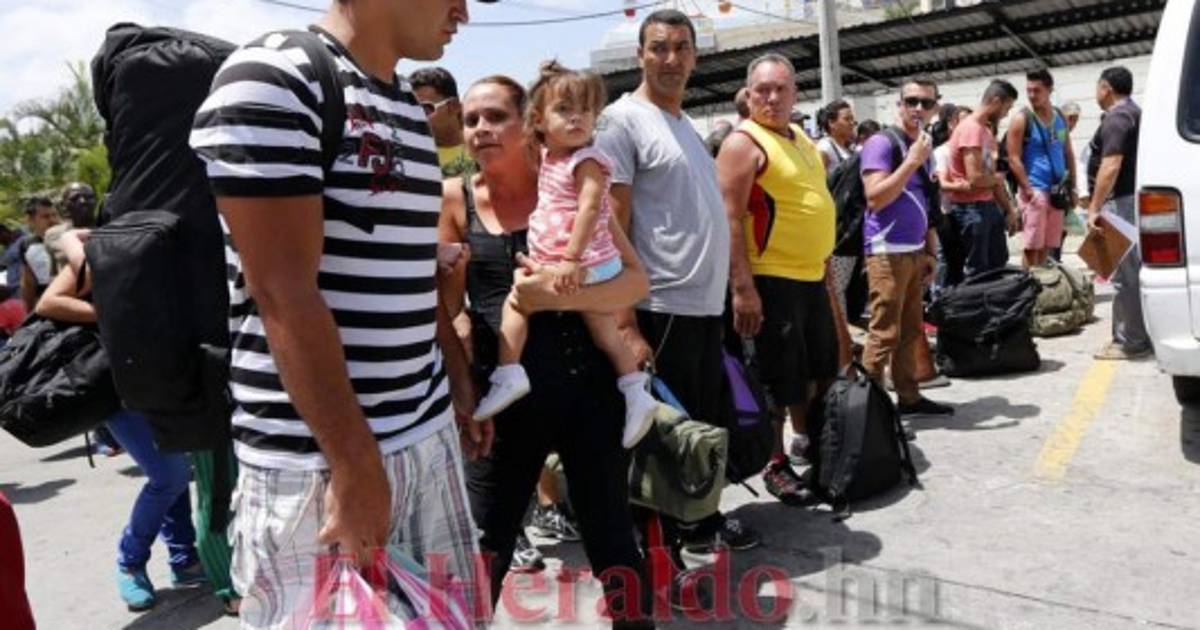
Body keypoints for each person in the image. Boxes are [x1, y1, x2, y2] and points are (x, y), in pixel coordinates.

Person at [189, 2, 485, 627]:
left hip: (425, 438)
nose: (463, 11)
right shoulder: (274, 77)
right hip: (320, 468)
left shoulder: (406, 106)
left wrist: (456, 380)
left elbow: (409, 272)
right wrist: (353, 465)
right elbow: (282, 292)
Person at [440, 74, 655, 627]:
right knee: (484, 545)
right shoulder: (456, 198)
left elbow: (635, 283)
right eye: (471, 120)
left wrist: (552, 294)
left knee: (612, 537)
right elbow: (448, 311)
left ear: (529, 123)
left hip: (588, 391)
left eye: (496, 117)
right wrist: (462, 393)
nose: (482, 129)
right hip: (503, 400)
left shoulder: (575, 184)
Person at [594, 8, 760, 579]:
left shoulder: (685, 124)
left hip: (700, 309)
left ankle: (696, 527)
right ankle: (658, 556)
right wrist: (624, 323)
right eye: (659, 47)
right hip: (657, 307)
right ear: (640, 55)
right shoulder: (622, 121)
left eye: (681, 47)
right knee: (660, 442)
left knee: (695, 430)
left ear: (695, 56)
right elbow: (611, 223)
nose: (671, 58)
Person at [472, 62, 658, 450]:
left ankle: (508, 371)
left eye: (585, 111)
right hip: (570, 265)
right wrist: (547, 80)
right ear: (539, 121)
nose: (576, 118)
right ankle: (635, 388)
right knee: (603, 328)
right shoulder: (551, 159)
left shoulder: (584, 160)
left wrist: (568, 265)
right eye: (564, 110)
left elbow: (593, 210)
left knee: (519, 301)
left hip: (584, 264)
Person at [36, 231, 208, 611]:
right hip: (115, 388)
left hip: (165, 379)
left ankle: (184, 559)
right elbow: (49, 302)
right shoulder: (104, 243)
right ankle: (130, 562)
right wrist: (114, 315)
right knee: (170, 475)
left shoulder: (170, 233)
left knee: (174, 469)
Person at [718, 53, 838, 505]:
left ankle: (813, 445)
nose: (771, 97)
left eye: (780, 89)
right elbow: (729, 218)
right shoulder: (743, 143)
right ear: (748, 95)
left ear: (795, 94)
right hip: (769, 280)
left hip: (810, 277)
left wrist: (826, 274)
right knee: (773, 379)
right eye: (762, 90)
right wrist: (742, 288)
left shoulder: (801, 139)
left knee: (816, 371)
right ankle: (774, 463)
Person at [859, 77, 954, 419]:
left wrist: (929, 251)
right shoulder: (882, 143)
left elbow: (926, 201)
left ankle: (909, 397)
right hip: (886, 250)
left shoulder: (922, 146)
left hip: (913, 251)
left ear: (935, 108)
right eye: (911, 101)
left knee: (911, 332)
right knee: (884, 333)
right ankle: (868, 410)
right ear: (899, 105)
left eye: (926, 103)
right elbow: (875, 197)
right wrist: (912, 161)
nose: (918, 108)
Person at [1087, 66, 1151, 361]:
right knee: (1132, 271)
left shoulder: (1117, 117)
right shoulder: (1135, 112)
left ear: (1106, 88)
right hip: (1131, 200)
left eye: (1097, 87)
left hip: (1122, 203)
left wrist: (1094, 207)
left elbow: (1111, 165)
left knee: (1125, 275)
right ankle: (1136, 333)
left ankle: (1130, 341)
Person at [944, 79, 1020, 282]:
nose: (1006, 114)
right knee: (978, 272)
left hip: (987, 206)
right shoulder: (971, 129)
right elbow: (976, 178)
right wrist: (995, 180)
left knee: (997, 265)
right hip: (971, 210)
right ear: (996, 101)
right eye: (1007, 107)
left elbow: (991, 178)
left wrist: (1009, 209)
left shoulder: (985, 131)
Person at [1006, 69, 1078, 268]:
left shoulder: (1060, 117)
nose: (1031, 95)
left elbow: (1068, 152)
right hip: (1035, 190)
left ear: (1049, 90)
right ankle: (1029, 283)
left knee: (1048, 245)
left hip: (1057, 191)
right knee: (1032, 247)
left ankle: (1043, 284)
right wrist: (1028, 189)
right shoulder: (1022, 119)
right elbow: (1013, 158)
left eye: (1037, 90)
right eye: (1028, 90)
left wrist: (1072, 187)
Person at [411, 65, 475, 178]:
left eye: (426, 109)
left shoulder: (484, 147)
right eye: (413, 110)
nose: (417, 117)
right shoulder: (411, 157)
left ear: (454, 106)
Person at [18, 196, 61, 312]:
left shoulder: (70, 237)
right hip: (46, 304)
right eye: (45, 217)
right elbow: (28, 282)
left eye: (54, 215)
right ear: (31, 220)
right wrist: (29, 312)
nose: (52, 220)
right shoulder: (27, 245)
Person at [816, 99, 856, 172]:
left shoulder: (849, 147)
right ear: (831, 123)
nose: (852, 123)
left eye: (852, 119)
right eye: (846, 119)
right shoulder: (825, 148)